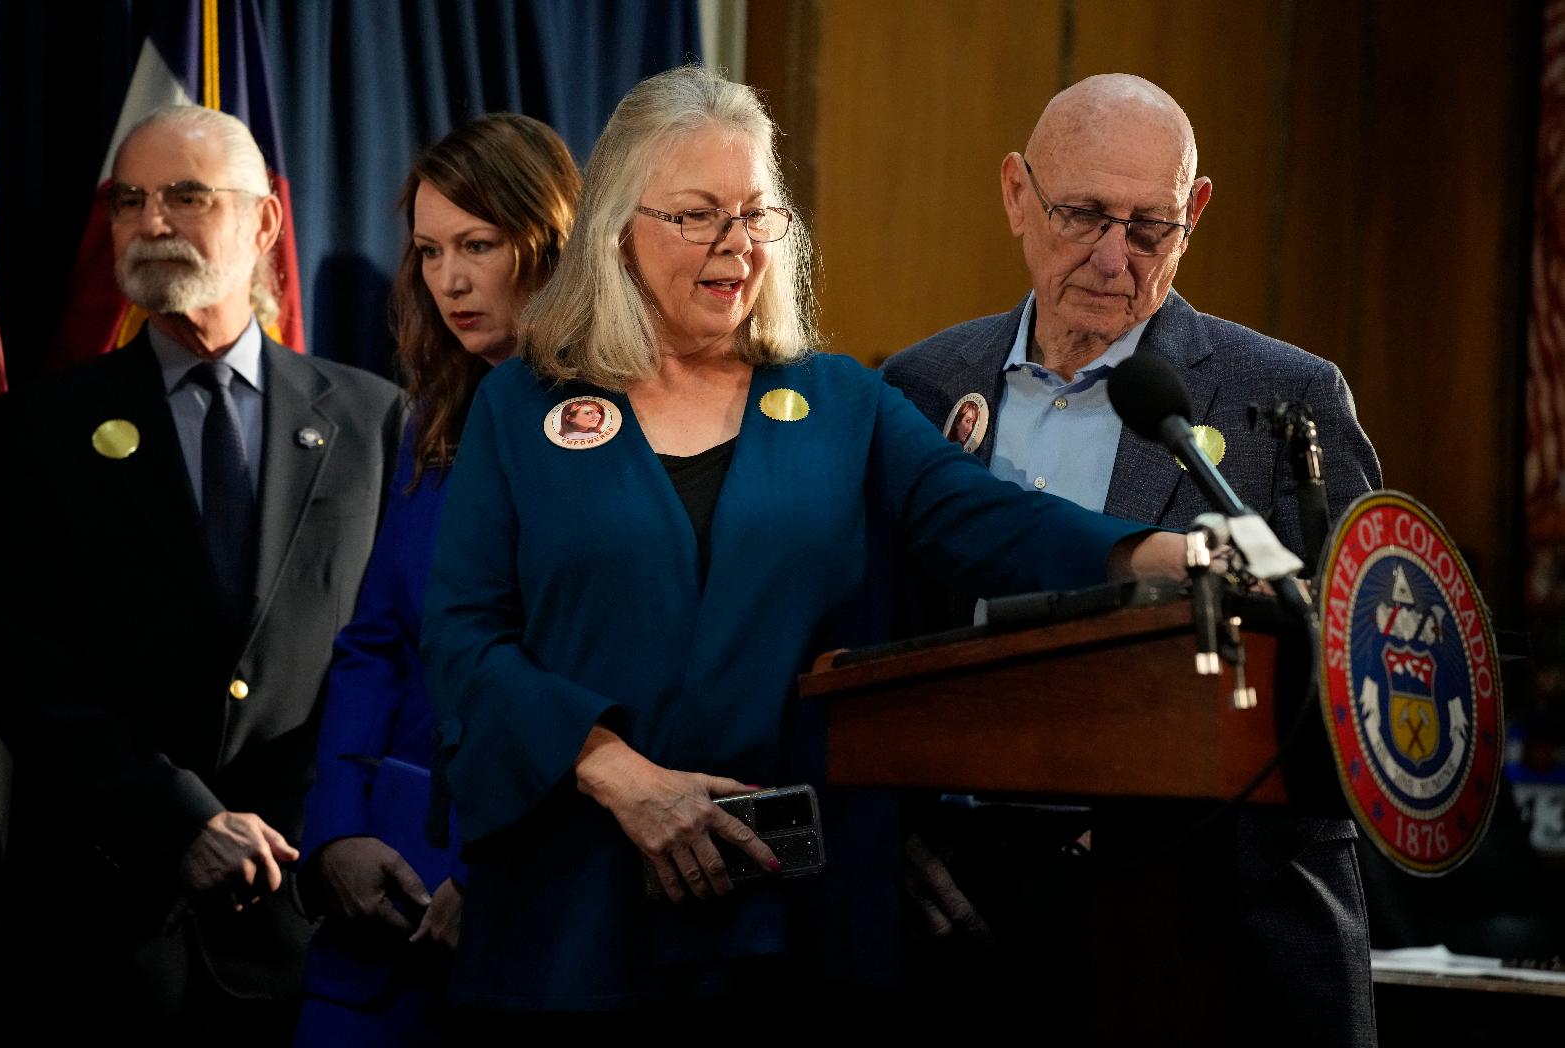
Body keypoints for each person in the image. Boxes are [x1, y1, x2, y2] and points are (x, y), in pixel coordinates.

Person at [419, 65, 1193, 1021]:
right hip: (571, 920)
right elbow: (461, 639)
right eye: (698, 215)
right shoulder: (519, 406)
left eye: (755, 214)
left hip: (792, 933)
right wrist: (613, 770)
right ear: (620, 227)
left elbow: (992, 522)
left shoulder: (842, 404)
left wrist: (1163, 560)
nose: (735, 247)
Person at [882, 73, 1381, 1044]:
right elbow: (875, 635)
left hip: (1211, 915)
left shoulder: (1284, 398)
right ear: (1016, 195)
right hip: (971, 909)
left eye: (1150, 226)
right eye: (1082, 216)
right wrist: (889, 837)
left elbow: (1351, 673)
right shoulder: (922, 385)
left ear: (1195, 212)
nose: (1115, 259)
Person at [0, 106, 402, 1033]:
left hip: (309, 923)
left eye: (186, 195)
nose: (152, 223)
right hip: (100, 935)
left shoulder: (375, 422)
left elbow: (385, 655)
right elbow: (24, 667)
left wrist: (321, 824)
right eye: (129, 201)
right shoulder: (35, 431)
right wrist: (176, 822)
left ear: (263, 224)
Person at [291, 115, 580, 1042]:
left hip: (537, 902)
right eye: (428, 251)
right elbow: (374, 642)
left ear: (548, 238)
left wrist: (491, 871)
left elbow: (606, 676)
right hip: (376, 903)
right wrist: (336, 826)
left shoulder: (621, 427)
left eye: (477, 245)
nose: (449, 279)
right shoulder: (430, 421)